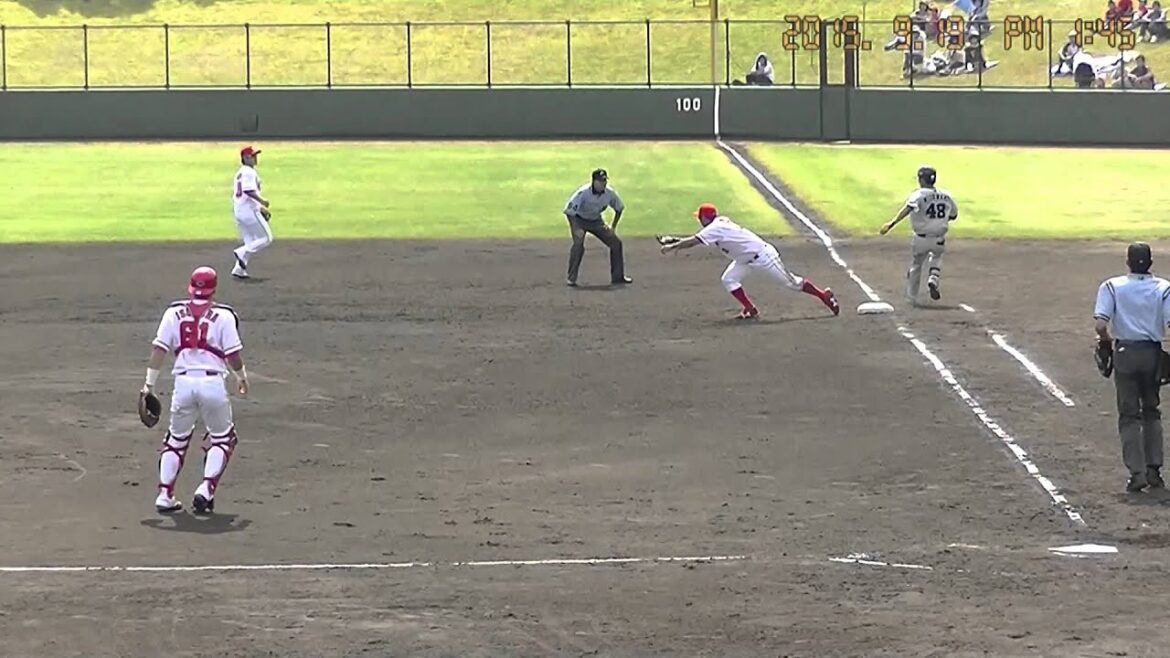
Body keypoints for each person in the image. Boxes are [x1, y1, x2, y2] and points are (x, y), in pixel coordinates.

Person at [142, 266, 250, 514]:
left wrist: (148, 385)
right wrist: (241, 377)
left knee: (175, 440)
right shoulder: (225, 316)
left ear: (190, 287)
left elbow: (159, 350)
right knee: (223, 438)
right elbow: (233, 355)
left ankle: (164, 495)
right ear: (214, 289)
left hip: (183, 384)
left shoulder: (173, 312)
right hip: (212, 384)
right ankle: (206, 489)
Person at [657, 203, 840, 319]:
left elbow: (694, 241)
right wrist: (676, 241)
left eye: (699, 217)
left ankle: (823, 295)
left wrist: (673, 246)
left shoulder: (715, 228)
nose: (698, 219)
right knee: (729, 279)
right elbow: (698, 237)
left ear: (704, 218)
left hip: (763, 257)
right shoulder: (718, 224)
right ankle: (750, 309)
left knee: (792, 283)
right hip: (744, 259)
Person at [1093, 243, 1170, 492]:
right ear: (1150, 263)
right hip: (1152, 354)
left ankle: (1137, 473)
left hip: (1125, 353)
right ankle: (1154, 471)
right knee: (1151, 411)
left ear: (1127, 262)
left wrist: (1106, 342)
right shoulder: (1164, 288)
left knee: (1129, 415)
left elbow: (1100, 325)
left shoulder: (1112, 286)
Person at [879, 166, 959, 305]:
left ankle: (912, 297)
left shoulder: (918, 195)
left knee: (916, 265)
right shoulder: (946, 195)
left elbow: (908, 209)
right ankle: (933, 277)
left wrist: (892, 223)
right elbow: (953, 215)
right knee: (937, 257)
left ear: (921, 180)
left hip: (921, 238)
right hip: (939, 237)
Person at [563, 168, 631, 287]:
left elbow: (619, 208)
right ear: (594, 181)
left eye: (604, 180)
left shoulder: (609, 193)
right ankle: (571, 278)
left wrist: (613, 227)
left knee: (616, 243)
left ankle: (617, 277)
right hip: (579, 220)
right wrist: (575, 229)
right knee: (578, 244)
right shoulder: (583, 193)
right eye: (600, 181)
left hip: (596, 221)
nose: (603, 183)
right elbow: (569, 212)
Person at [231, 146, 273, 280]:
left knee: (250, 241)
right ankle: (241, 252)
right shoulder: (249, 172)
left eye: (255, 155)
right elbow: (248, 190)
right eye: (252, 156)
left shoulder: (240, 173)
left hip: (239, 210)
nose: (255, 158)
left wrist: (260, 208)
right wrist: (262, 201)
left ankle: (239, 269)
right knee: (266, 238)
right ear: (245, 158)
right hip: (249, 210)